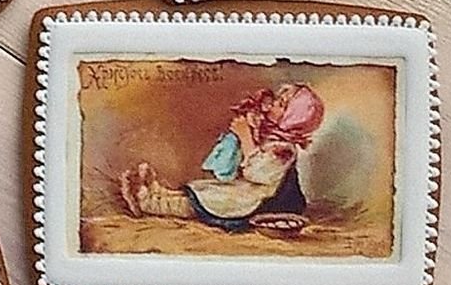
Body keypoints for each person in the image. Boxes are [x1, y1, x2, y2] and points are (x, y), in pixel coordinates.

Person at [118, 82, 326, 231]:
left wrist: (245, 137)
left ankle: (150, 203)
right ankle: (158, 192)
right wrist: (251, 130)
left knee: (214, 200)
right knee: (205, 188)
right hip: (252, 191)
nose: (271, 104)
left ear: (292, 119)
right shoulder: (272, 136)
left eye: (281, 104)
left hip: (265, 202)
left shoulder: (284, 149)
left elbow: (258, 173)